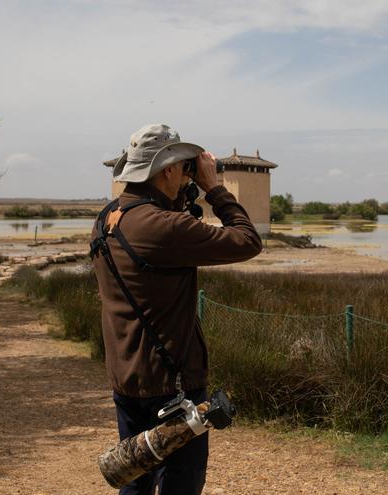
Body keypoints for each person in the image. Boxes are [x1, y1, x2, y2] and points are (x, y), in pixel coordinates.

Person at [92, 124, 263, 495]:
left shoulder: (107, 218)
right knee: (181, 486)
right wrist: (215, 188)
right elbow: (248, 241)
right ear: (167, 169)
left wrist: (183, 197)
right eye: (184, 167)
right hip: (173, 385)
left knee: (136, 475)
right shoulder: (165, 227)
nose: (188, 174)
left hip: (127, 376)